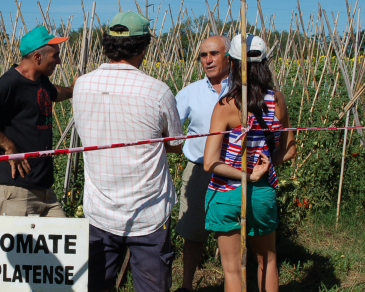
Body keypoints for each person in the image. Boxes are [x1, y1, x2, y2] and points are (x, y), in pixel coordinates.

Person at [72, 11, 183, 292]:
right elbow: (175, 144)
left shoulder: (82, 85)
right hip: (148, 212)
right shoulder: (157, 91)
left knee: (97, 285)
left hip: (99, 211)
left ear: (107, 43)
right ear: (144, 47)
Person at [203, 34, 296, 292]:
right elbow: (289, 149)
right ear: (264, 63)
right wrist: (264, 167)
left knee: (232, 269)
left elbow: (210, 163)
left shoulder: (226, 105)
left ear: (232, 64)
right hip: (261, 193)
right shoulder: (276, 100)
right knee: (268, 259)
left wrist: (246, 176)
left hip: (225, 193)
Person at [0, 26, 73, 217]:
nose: (59, 61)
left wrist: (74, 89)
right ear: (38, 57)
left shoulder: (39, 80)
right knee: (17, 247)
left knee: (65, 243)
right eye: (55, 56)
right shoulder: (11, 82)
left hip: (44, 189)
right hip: (16, 188)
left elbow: (55, 94)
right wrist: (8, 146)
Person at [173, 35, 231, 292]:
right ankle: (186, 286)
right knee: (193, 233)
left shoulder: (243, 89)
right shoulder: (190, 92)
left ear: (228, 56)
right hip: (198, 171)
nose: (207, 60)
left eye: (214, 54)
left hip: (234, 172)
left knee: (234, 231)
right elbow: (169, 126)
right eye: (203, 55)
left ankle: (236, 282)